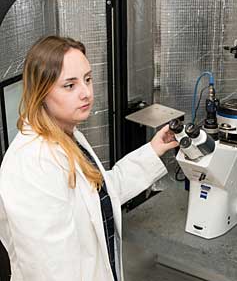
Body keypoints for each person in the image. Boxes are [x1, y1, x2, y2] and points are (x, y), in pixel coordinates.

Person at [0, 35, 178, 281]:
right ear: (41, 92)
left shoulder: (67, 135)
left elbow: (101, 192)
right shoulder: (33, 161)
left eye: (88, 79)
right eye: (70, 85)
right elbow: (50, 270)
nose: (86, 93)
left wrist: (154, 148)